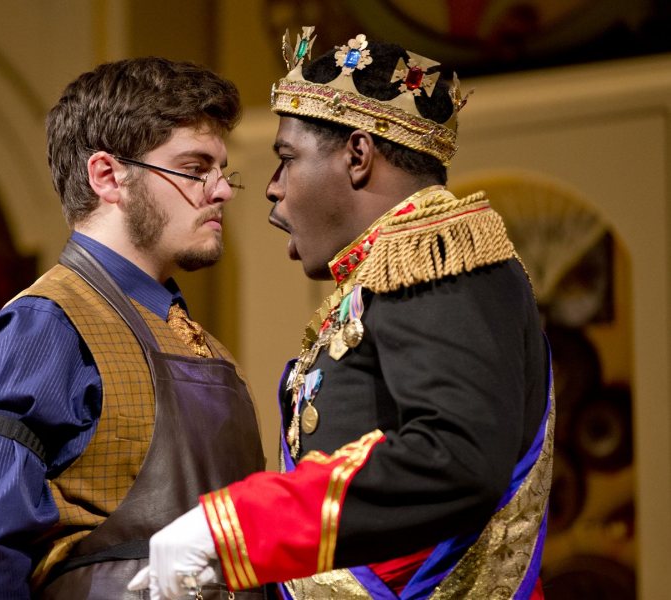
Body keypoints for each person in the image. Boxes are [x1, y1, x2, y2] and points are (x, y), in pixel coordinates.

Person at [130, 28, 553, 600]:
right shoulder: (389, 269)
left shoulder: (432, 249)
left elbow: (452, 459)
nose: (272, 189)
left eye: (286, 159)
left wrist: (236, 529)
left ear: (358, 156)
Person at [0, 57, 267, 599]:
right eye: (196, 168)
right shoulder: (43, 328)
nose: (221, 191)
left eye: (223, 172)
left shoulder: (204, 347)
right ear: (107, 176)